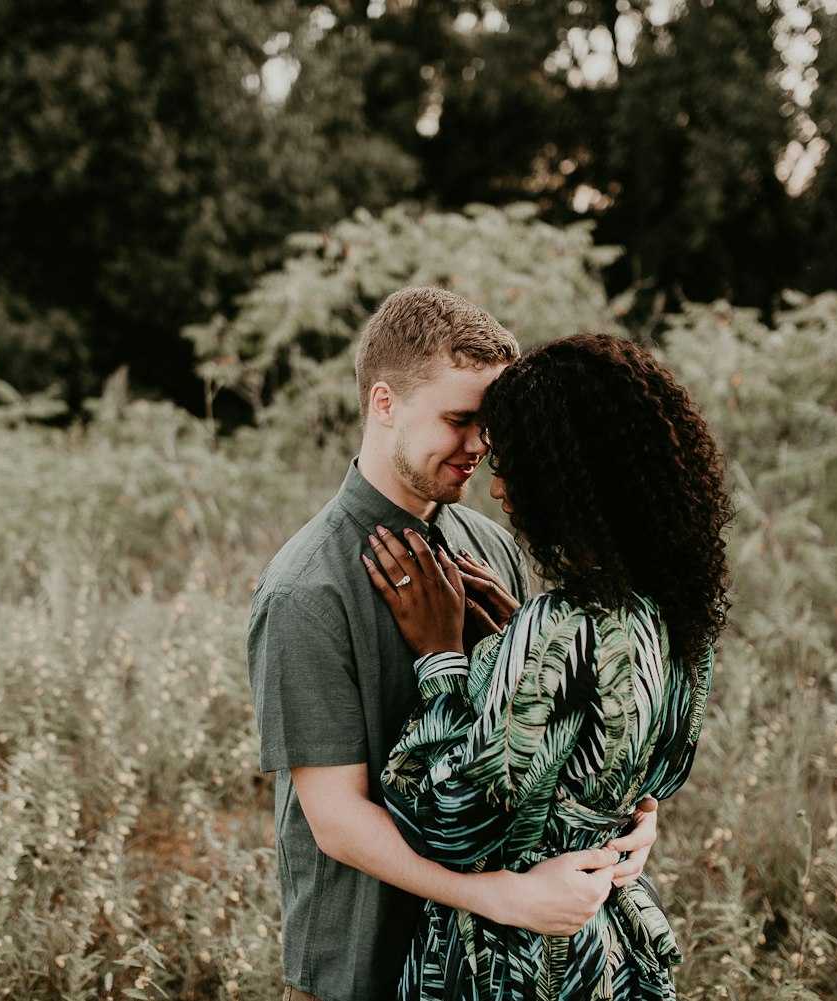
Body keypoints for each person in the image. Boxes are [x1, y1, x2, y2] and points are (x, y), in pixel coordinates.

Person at [248, 290, 661, 1001]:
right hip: (361, 969)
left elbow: (536, 745)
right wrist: (496, 893)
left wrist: (630, 819)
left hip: (487, 972)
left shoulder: (493, 546)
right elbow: (337, 822)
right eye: (458, 420)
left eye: (488, 424)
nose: (480, 445)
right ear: (384, 403)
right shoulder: (305, 588)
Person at [363, 333, 732, 1000]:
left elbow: (446, 820)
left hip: (519, 955)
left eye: (513, 465)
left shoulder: (560, 626)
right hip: (606, 949)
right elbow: (654, 779)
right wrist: (513, 651)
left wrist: (443, 659)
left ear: (570, 476)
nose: (498, 486)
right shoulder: (675, 614)